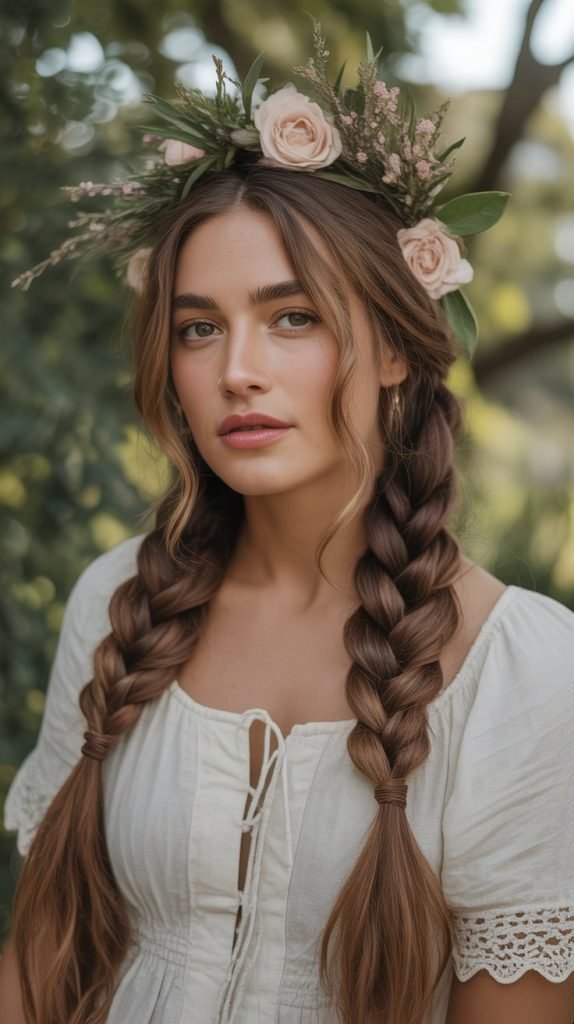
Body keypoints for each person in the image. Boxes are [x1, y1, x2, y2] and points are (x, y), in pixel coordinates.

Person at [2, 26, 574, 1024]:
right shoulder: (115, 601)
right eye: (198, 327)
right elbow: (40, 962)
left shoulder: (524, 671)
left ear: (398, 347)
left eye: (293, 316)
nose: (236, 371)